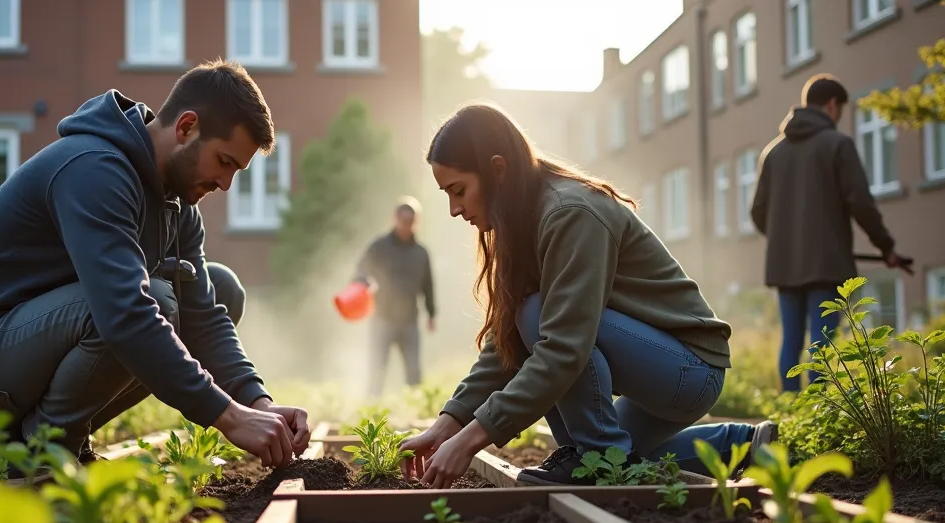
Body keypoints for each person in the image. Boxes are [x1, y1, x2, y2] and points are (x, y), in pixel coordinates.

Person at [0, 60, 310, 470]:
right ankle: (45, 452)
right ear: (186, 128)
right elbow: (124, 312)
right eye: (225, 162)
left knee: (219, 288)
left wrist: (258, 403)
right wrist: (229, 417)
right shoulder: (94, 169)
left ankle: (55, 435)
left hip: (36, 347)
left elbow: (205, 315)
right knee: (152, 301)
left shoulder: (178, 204)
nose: (226, 184)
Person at [398, 103, 778, 489]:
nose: (453, 209)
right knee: (620, 455)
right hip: (656, 367)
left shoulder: (569, 212)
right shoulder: (521, 220)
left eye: (458, 190)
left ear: (498, 169)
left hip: (688, 367)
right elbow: (504, 346)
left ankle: (595, 461)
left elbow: (564, 347)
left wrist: (471, 440)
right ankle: (744, 445)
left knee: (534, 316)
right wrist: (450, 423)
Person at [751, 74, 903, 393]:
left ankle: (788, 420)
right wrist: (886, 247)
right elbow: (861, 203)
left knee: (791, 341)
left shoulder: (772, 153)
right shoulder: (838, 145)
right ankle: (818, 418)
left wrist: (787, 240)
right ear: (833, 105)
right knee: (821, 344)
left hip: (784, 265)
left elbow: (757, 212)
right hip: (827, 264)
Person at [352, 197, 437, 397]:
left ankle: (416, 408)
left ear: (416, 221)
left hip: (410, 321)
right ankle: (372, 409)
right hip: (382, 318)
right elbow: (360, 270)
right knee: (377, 368)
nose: (406, 225)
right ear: (395, 218)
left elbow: (428, 285)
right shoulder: (379, 246)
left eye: (411, 221)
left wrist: (432, 313)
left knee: (414, 371)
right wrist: (363, 282)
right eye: (403, 220)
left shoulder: (421, 252)